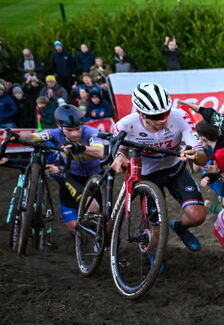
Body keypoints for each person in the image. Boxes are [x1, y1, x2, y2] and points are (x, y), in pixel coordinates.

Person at [112, 82, 208, 251]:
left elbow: (202, 157)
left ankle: (179, 227)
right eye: (157, 117)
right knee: (156, 233)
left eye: (165, 113)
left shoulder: (180, 117)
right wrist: (120, 157)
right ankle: (154, 261)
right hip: (147, 176)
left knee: (198, 216)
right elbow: (120, 150)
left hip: (175, 170)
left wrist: (195, 155)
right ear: (141, 113)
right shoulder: (126, 124)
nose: (163, 119)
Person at [9, 105, 106, 234]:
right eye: (69, 130)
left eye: (78, 129)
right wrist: (16, 136)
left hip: (94, 178)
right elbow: (32, 137)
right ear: (60, 127)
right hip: (72, 177)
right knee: (73, 227)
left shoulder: (90, 132)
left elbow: (99, 152)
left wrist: (81, 148)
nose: (75, 134)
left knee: (97, 216)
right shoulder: (54, 133)